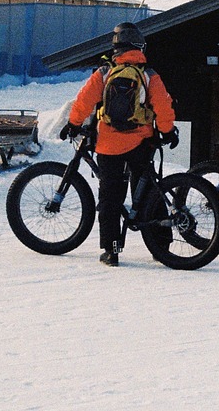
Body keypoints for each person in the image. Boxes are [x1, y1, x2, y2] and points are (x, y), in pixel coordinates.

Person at [61, 26, 177, 267]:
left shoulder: (104, 72)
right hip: (140, 142)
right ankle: (161, 246)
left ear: (116, 48)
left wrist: (73, 124)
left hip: (109, 145)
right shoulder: (148, 75)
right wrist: (167, 131)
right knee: (148, 190)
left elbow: (83, 101)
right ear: (139, 48)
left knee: (110, 198)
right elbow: (163, 107)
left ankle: (111, 251)